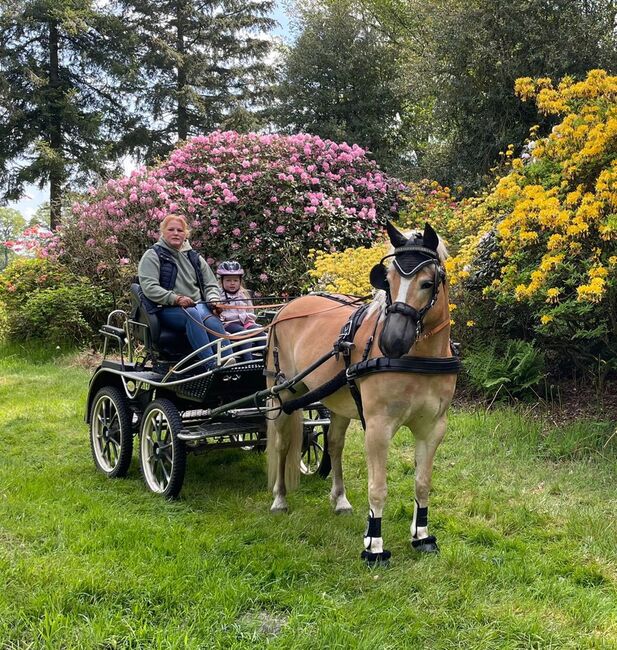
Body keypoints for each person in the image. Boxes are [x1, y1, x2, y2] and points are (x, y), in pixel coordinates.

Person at [137, 214, 234, 366]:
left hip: (197, 305)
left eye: (180, 230)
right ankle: (211, 364)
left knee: (211, 320)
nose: (176, 233)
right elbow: (149, 287)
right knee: (193, 314)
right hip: (166, 308)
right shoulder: (152, 255)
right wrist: (176, 299)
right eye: (171, 229)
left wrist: (214, 299)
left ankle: (230, 362)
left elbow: (211, 284)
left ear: (185, 234)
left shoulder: (194, 257)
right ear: (163, 232)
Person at [217, 260, 262, 361]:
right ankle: (248, 361)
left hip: (245, 322)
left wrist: (251, 323)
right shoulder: (218, 296)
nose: (232, 283)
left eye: (235, 280)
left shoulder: (244, 294)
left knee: (260, 332)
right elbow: (216, 315)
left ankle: (267, 361)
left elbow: (250, 311)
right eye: (228, 280)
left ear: (240, 281)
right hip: (229, 324)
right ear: (222, 281)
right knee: (243, 333)